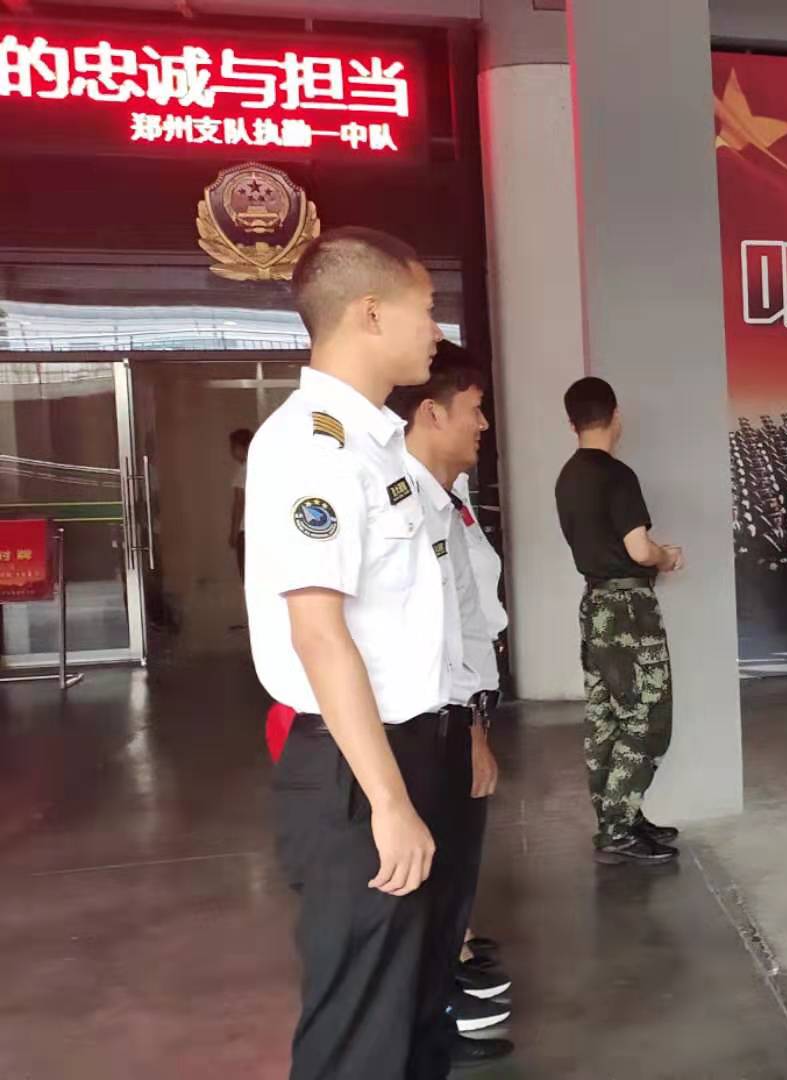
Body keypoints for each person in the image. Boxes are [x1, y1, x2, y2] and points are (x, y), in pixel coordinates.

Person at [246, 226, 458, 1078]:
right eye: (427, 309)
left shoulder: (378, 446)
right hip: (356, 770)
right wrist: (389, 801)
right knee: (361, 1026)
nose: (437, 329)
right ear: (370, 312)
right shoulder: (313, 447)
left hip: (405, 750)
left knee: (413, 1006)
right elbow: (318, 632)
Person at [386, 355, 516, 1066]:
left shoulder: (447, 496)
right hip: (422, 718)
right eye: (474, 408)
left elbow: (470, 614)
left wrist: (476, 720)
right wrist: (467, 726)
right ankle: (430, 1013)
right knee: (424, 880)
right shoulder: (398, 499)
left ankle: (440, 999)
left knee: (451, 874)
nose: (484, 423)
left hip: (459, 705)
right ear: (431, 414)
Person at [554, 377, 685, 867]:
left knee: (606, 715)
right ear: (616, 415)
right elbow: (638, 549)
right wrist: (666, 556)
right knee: (647, 717)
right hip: (629, 608)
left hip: (595, 604)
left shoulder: (568, 476)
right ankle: (618, 828)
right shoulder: (617, 475)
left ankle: (621, 816)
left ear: (572, 422)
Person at [229, 428, 253, 577]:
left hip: (246, 531)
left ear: (240, 447)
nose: (231, 452)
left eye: (233, 447)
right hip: (262, 531)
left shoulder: (244, 471)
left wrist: (233, 533)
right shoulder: (262, 467)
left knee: (247, 575)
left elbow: (239, 504)